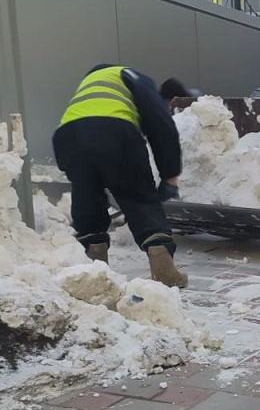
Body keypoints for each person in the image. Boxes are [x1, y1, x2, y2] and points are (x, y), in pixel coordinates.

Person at [53, 64, 189, 288]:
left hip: (68, 137)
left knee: (87, 197)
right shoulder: (133, 76)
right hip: (114, 132)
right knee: (138, 197)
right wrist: (170, 175)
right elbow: (162, 126)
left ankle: (94, 265)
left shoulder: (90, 84)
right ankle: (163, 266)